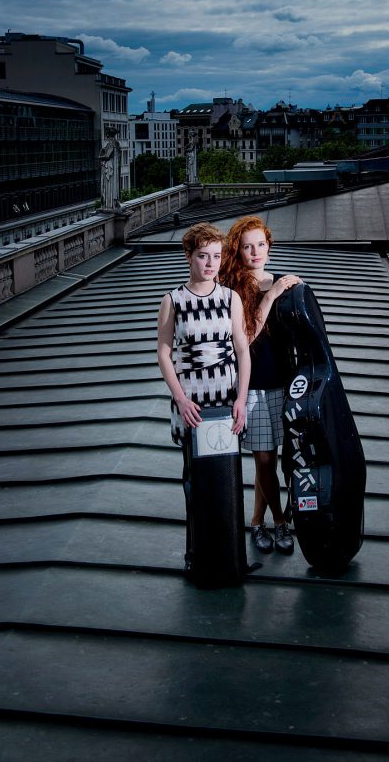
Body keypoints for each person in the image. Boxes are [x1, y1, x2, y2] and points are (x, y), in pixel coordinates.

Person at [157, 222, 250, 570]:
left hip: (225, 397)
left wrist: (241, 399)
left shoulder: (230, 298)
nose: (210, 263)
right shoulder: (173, 300)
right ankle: (196, 553)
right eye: (202, 256)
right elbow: (164, 353)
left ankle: (228, 551)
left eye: (216, 255)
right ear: (188, 256)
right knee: (194, 479)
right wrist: (180, 399)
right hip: (192, 401)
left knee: (225, 475)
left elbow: (242, 350)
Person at [220, 216, 302, 556]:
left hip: (282, 381)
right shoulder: (234, 289)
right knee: (265, 459)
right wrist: (273, 295)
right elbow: (248, 336)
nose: (255, 251)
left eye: (261, 244)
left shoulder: (282, 281)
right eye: (247, 246)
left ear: (269, 246)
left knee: (267, 460)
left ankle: (257, 522)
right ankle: (280, 521)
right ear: (238, 251)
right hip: (252, 385)